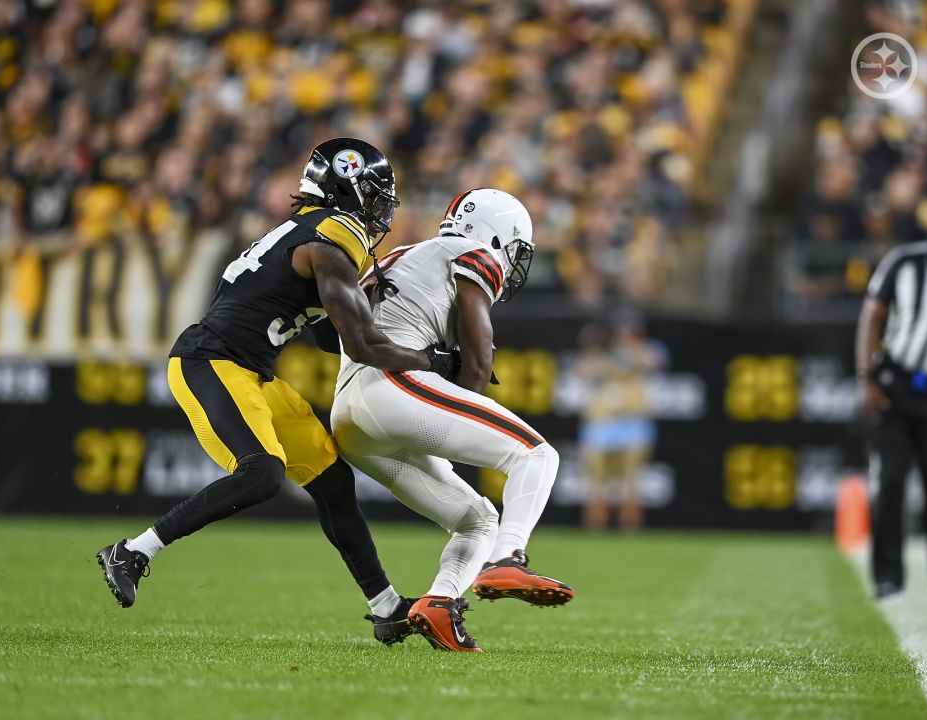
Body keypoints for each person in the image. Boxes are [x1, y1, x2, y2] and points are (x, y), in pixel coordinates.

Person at [95, 139, 462, 644]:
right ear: (344, 190)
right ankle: (134, 551)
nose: (381, 210)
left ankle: (386, 606)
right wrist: (433, 360)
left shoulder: (309, 235)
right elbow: (360, 343)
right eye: (373, 196)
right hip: (212, 362)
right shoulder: (328, 240)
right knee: (261, 474)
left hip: (253, 371)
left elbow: (326, 335)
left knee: (333, 481)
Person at [331, 188, 573, 652]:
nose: (513, 264)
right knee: (535, 454)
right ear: (497, 236)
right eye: (516, 250)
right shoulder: (472, 253)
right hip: (392, 388)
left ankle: (440, 603)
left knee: (478, 519)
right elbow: (477, 371)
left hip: (351, 415)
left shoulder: (409, 253)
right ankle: (508, 558)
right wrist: (456, 371)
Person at [856, 216, 927, 602]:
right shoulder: (905, 261)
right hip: (896, 383)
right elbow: (872, 317)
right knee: (890, 479)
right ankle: (888, 577)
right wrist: (866, 377)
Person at [575, 319, 667, 532]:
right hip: (602, 424)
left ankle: (630, 530)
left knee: (631, 482)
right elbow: (584, 373)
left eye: (630, 336)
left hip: (633, 423)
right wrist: (595, 351)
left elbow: (654, 362)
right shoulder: (599, 357)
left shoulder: (646, 351)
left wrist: (628, 355)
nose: (624, 340)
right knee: (595, 483)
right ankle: (595, 528)